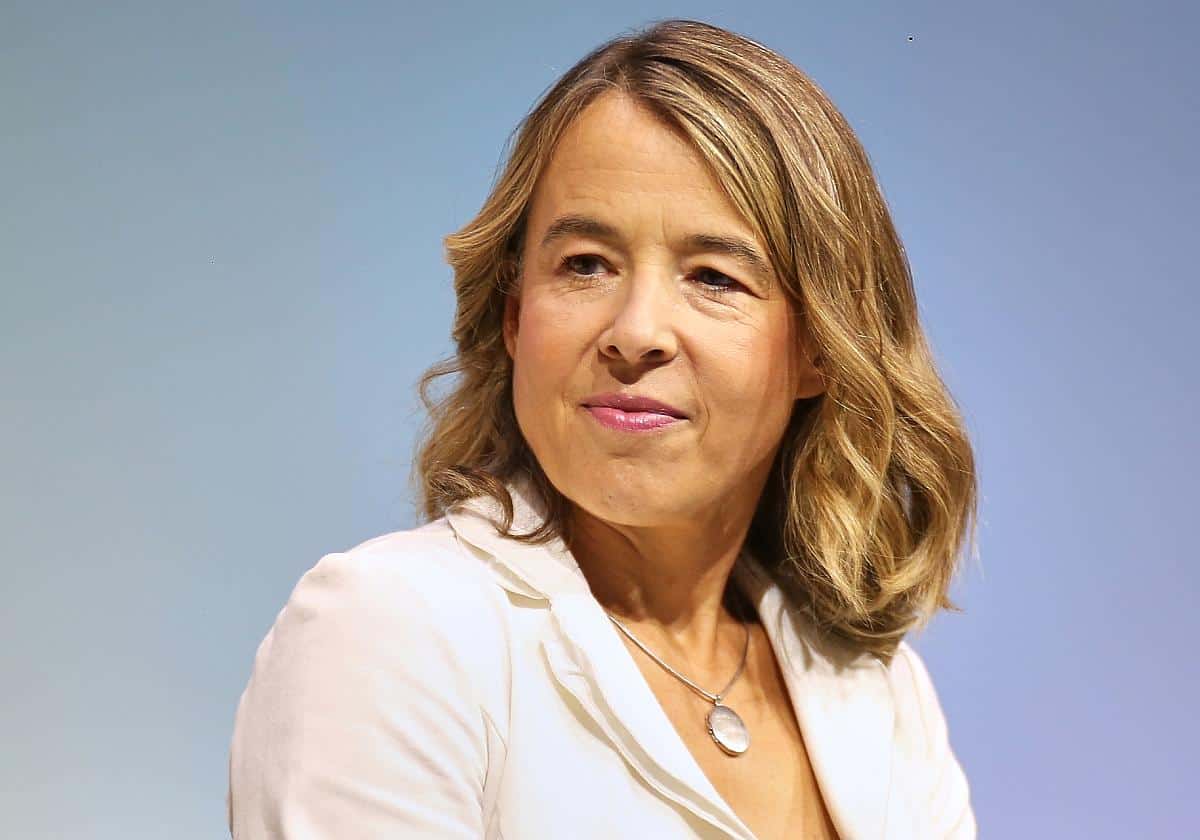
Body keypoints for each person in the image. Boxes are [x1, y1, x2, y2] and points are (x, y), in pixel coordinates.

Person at [228, 18, 978, 840]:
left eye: (713, 277)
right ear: (514, 316)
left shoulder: (880, 695)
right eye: (585, 264)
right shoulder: (391, 630)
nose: (635, 331)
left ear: (822, 350)